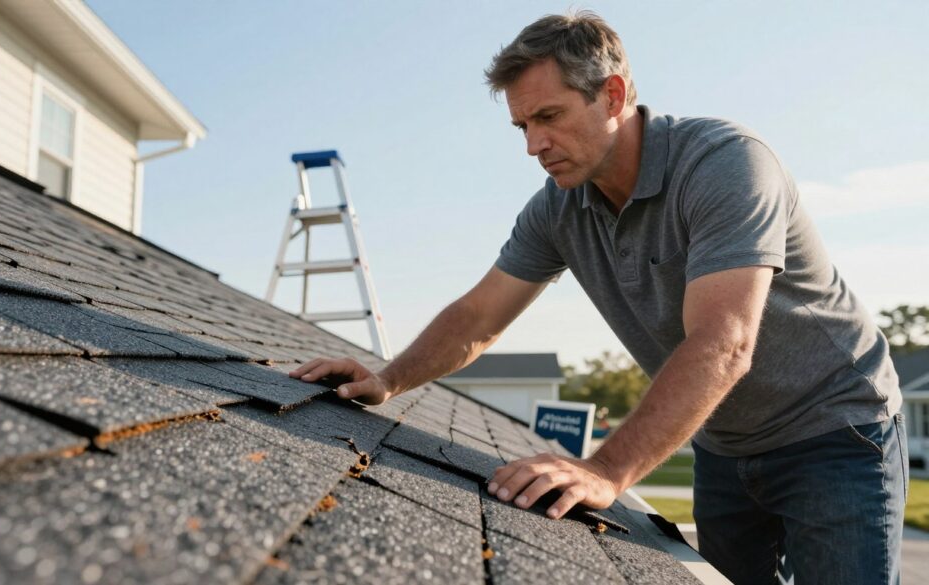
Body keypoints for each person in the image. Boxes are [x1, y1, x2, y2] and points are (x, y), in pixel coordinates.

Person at [289, 11, 907, 584]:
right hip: (724, 446)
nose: (533, 145)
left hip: (836, 432)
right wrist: (387, 380)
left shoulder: (725, 164)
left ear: (612, 95)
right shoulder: (559, 207)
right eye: (522, 125)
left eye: (549, 117)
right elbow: (479, 316)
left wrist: (606, 469)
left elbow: (724, 343)